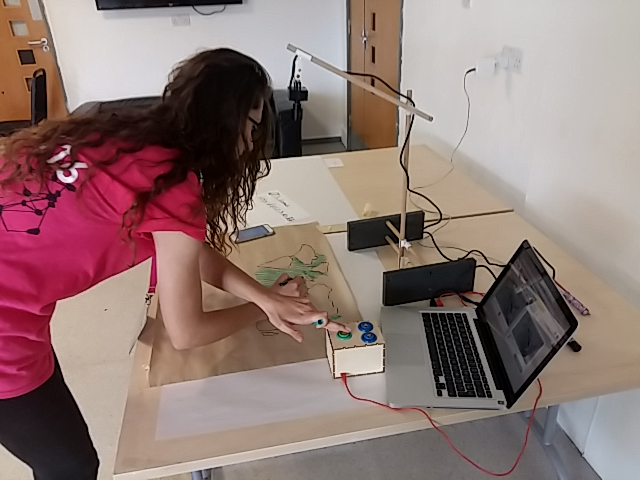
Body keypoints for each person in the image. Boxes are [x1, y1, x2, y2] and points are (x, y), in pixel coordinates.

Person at [0, 48, 348, 480]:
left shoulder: (119, 136)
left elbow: (184, 251)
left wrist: (264, 297)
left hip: (16, 301)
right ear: (229, 122)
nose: (250, 142)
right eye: (252, 125)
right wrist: (261, 309)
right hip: (6, 333)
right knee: (70, 465)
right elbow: (186, 333)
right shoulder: (174, 189)